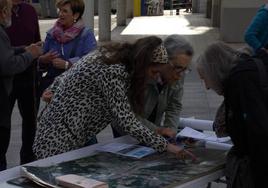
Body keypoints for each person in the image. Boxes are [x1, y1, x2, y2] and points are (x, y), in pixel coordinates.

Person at [33, 36, 196, 161]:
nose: (152, 78)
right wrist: (165, 146)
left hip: (72, 133)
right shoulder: (115, 71)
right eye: (153, 72)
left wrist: (53, 88)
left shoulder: (117, 60)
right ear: (142, 63)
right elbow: (126, 119)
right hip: (58, 138)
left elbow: (71, 74)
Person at [196, 42, 268, 187]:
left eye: (204, 78)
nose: (207, 86)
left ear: (214, 71)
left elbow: (257, 132)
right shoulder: (246, 71)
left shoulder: (241, 80)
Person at [112, 34, 193, 138]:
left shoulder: (179, 72)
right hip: (126, 128)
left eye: (185, 69)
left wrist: (170, 132)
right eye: (178, 68)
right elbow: (126, 115)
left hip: (152, 127)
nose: (180, 75)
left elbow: (174, 105)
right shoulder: (139, 72)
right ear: (164, 60)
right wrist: (158, 130)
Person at [0, 0, 42, 171]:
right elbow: (6, 63)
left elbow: (35, 41)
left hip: (28, 76)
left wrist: (29, 51)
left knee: (30, 122)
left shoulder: (30, 11)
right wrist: (29, 55)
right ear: (4, 11)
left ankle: (27, 163)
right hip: (6, 84)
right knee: (3, 126)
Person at [38, 0, 97, 94]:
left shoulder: (86, 34)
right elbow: (41, 63)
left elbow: (92, 63)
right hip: (53, 88)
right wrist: (44, 59)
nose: (60, 14)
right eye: (60, 10)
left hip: (77, 89)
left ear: (76, 15)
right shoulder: (52, 34)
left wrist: (67, 65)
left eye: (65, 11)